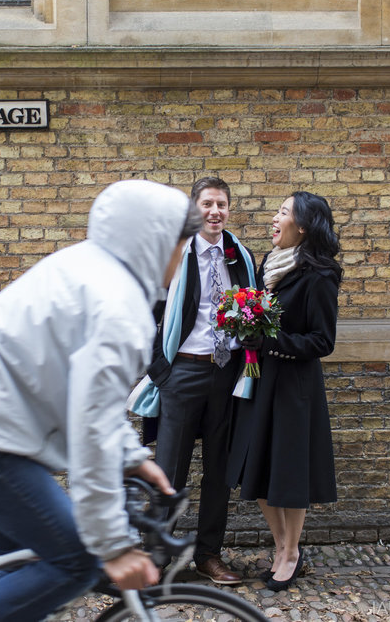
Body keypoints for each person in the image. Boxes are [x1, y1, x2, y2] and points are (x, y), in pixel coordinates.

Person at [0, 180, 204, 622]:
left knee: (29, 576)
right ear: (157, 241)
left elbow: (85, 395)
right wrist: (114, 546)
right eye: (182, 245)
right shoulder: (118, 307)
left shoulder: (87, 267)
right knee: (76, 562)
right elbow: (92, 427)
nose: (182, 259)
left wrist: (132, 457)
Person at [132, 177, 256, 585]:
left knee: (219, 470)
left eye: (221, 204)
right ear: (194, 210)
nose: (215, 211)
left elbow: (253, 310)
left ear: (228, 209)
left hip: (225, 375)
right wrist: (161, 374)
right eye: (207, 204)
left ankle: (208, 555)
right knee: (169, 470)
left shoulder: (240, 257)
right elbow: (145, 317)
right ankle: (157, 557)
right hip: (181, 372)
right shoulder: (175, 255)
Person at [227, 191, 343, 592]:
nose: (273, 218)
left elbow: (321, 341)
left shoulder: (320, 275)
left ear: (304, 226)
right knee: (256, 466)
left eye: (282, 212)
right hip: (259, 380)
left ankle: (291, 552)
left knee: (288, 471)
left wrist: (270, 339)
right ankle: (280, 545)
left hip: (294, 387)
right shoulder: (268, 266)